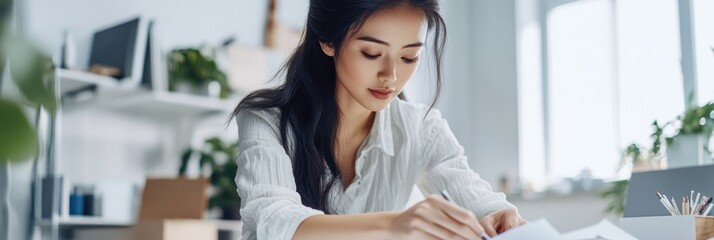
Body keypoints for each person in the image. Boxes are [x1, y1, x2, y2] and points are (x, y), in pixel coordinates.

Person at [231, 0, 526, 239]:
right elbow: (275, 222)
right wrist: (394, 225)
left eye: (409, 58)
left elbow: (478, 200)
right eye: (372, 53)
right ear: (328, 42)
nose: (391, 76)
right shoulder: (266, 121)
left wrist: (497, 215)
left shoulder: (422, 127)